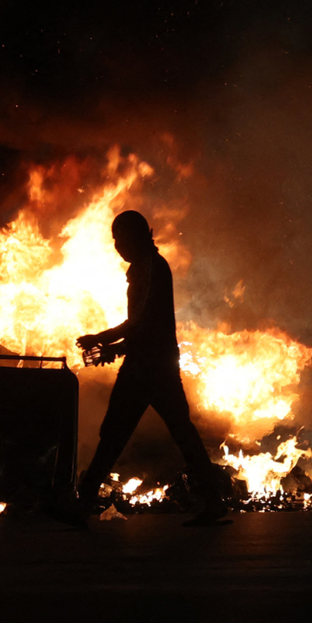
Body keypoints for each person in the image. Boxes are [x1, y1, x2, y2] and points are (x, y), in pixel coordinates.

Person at [63, 210, 229, 528]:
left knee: (118, 434)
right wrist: (109, 342)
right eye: (114, 239)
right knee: (167, 433)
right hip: (149, 364)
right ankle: (213, 501)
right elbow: (140, 323)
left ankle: (82, 504)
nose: (117, 245)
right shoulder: (143, 268)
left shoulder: (152, 268)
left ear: (138, 236)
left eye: (120, 237)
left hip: (151, 367)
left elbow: (145, 323)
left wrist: (111, 344)